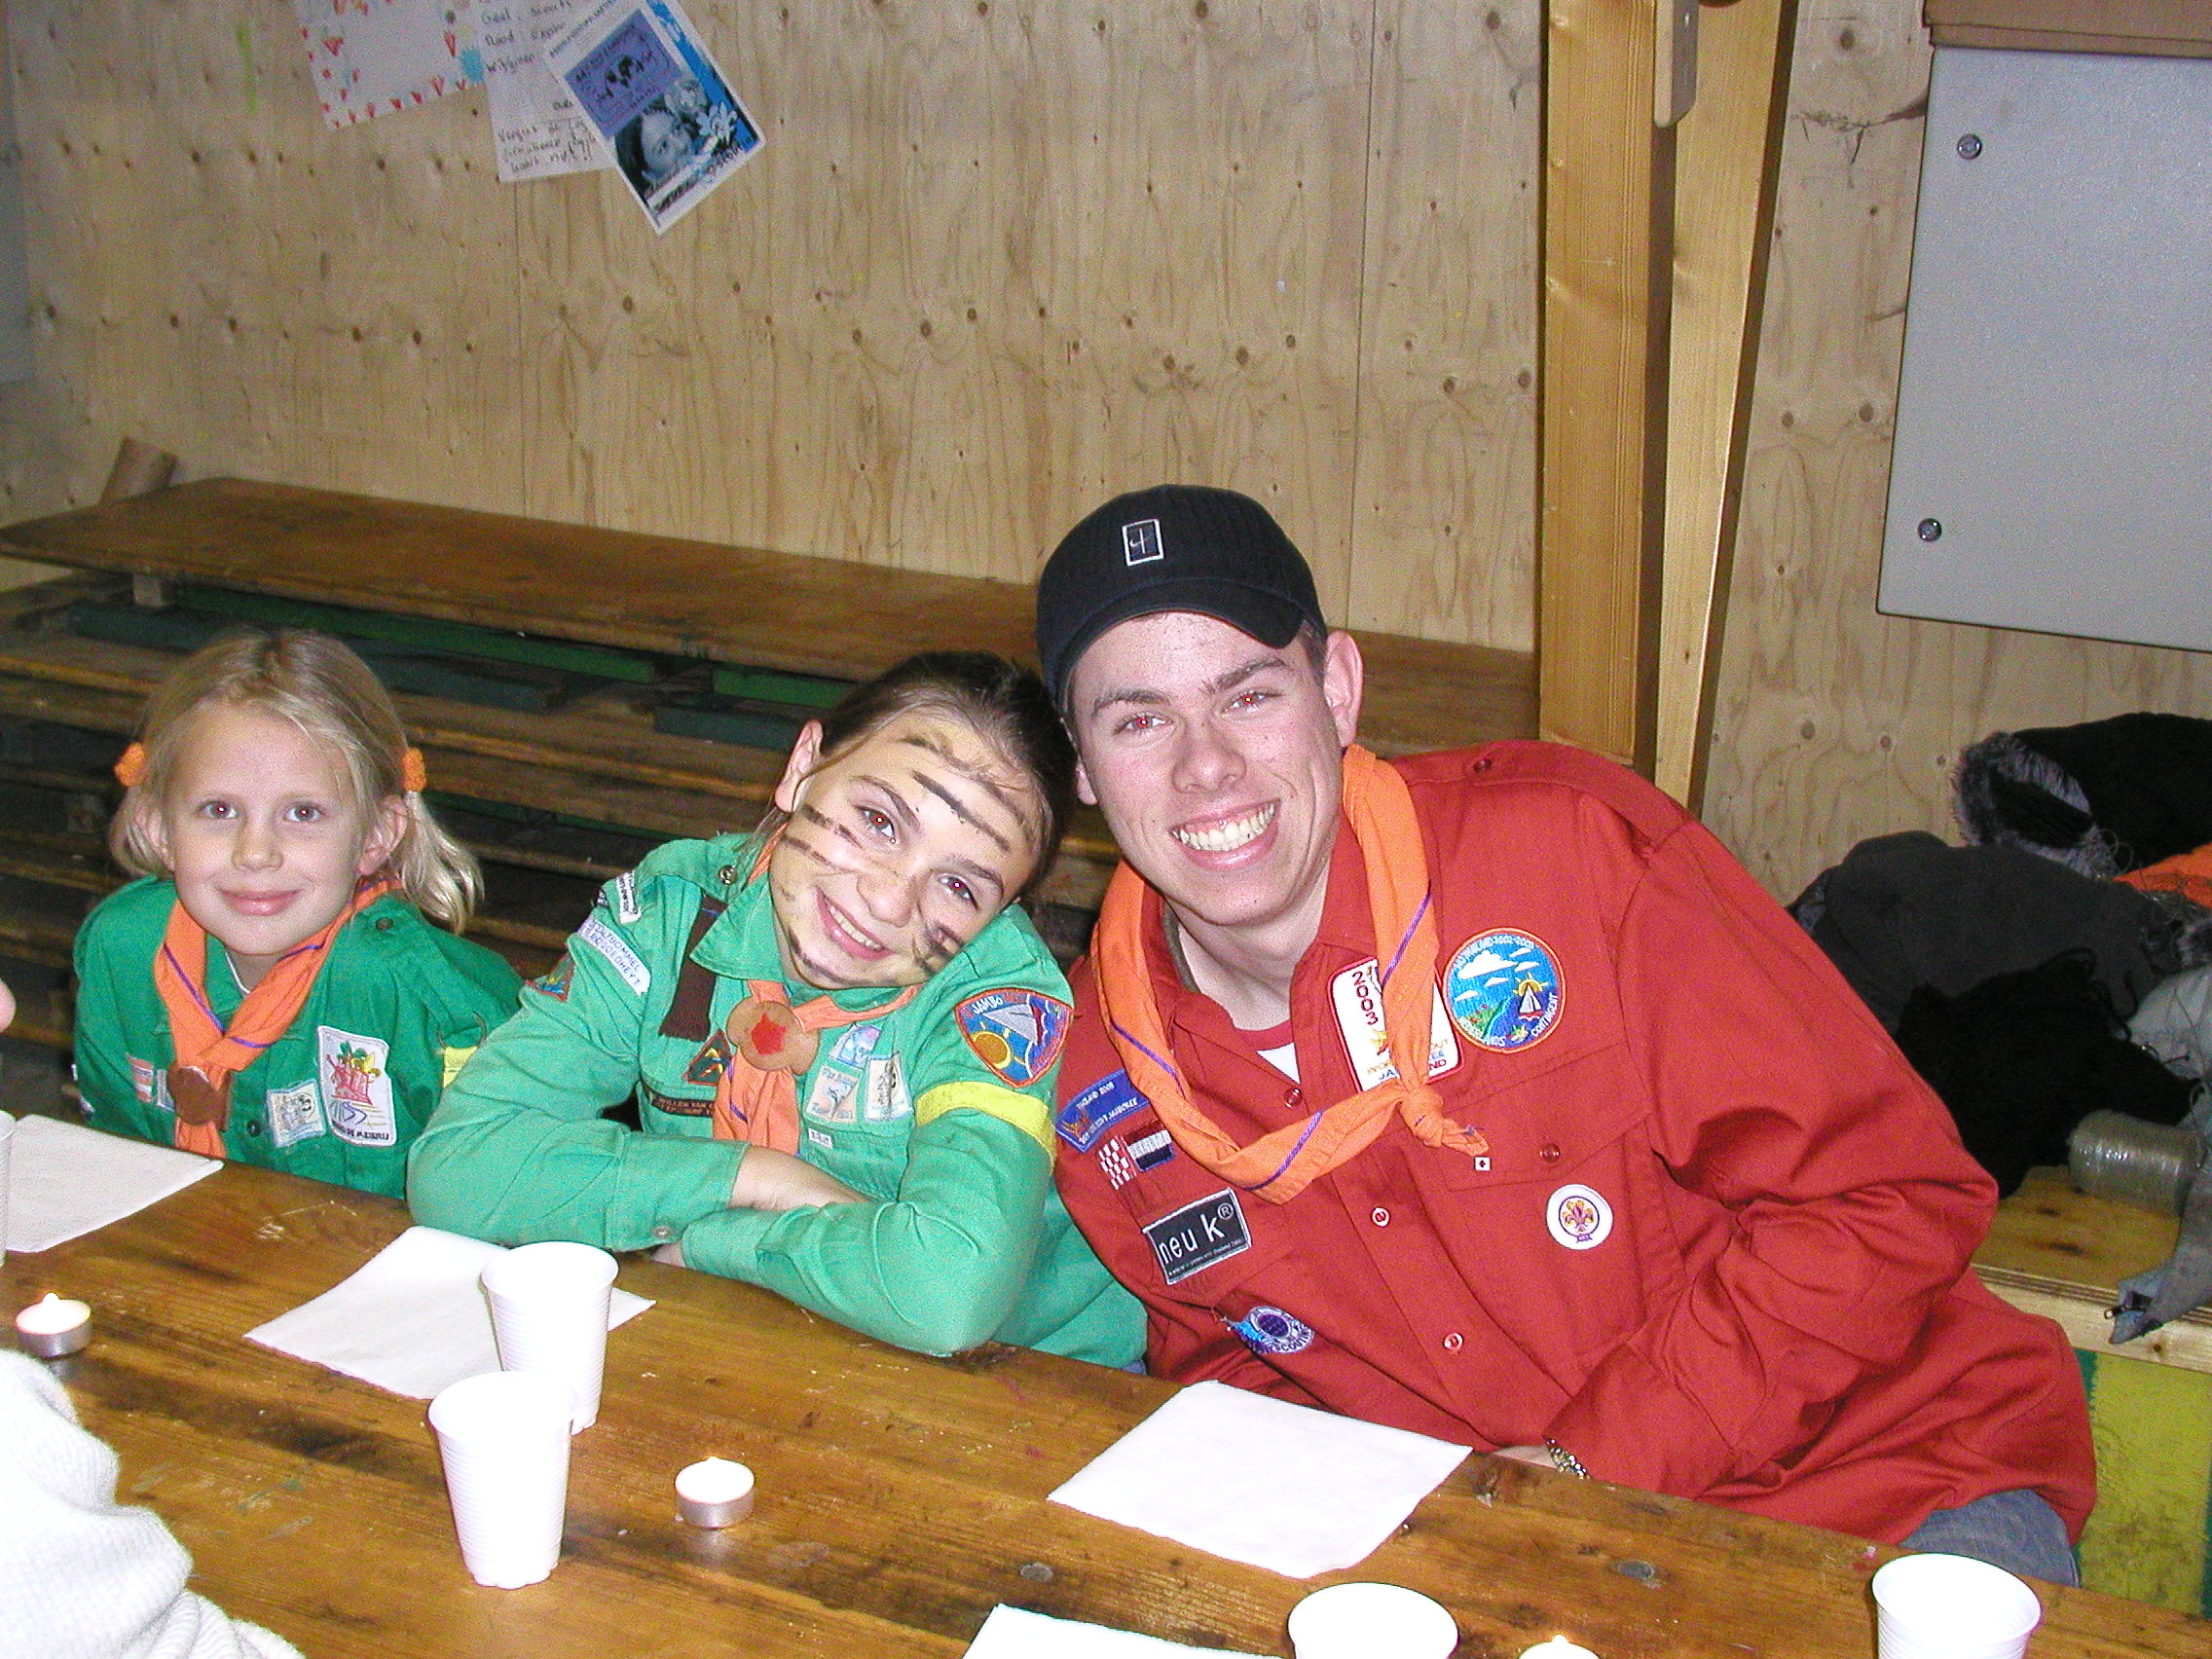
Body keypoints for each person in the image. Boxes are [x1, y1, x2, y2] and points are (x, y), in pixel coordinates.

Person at [1035, 484, 2096, 1581]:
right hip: (1512, 1556)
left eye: (1250, 694)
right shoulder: (1099, 1082)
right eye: (1138, 720)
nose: (1205, 765)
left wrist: (1590, 1467)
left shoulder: (1572, 855)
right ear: (1078, 763)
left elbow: (1889, 1198)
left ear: (1338, 691)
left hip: (1886, 1482)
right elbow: (1237, 1379)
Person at [409, 652, 1144, 1367]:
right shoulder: (671, 915)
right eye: (879, 821)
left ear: (1001, 911)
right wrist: (756, 1179)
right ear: (802, 768)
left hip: (1026, 1378)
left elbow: (947, 1296)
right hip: (762, 1341)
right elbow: (457, 1170)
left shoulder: (996, 999)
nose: (889, 901)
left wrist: (713, 1240)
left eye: (960, 887)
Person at [73, 630, 521, 1198]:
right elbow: (114, 1154)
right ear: (160, 828)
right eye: (219, 810)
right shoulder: (121, 947)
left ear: (375, 835)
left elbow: (507, 1198)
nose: (255, 853)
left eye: (303, 813)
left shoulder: (446, 1006)